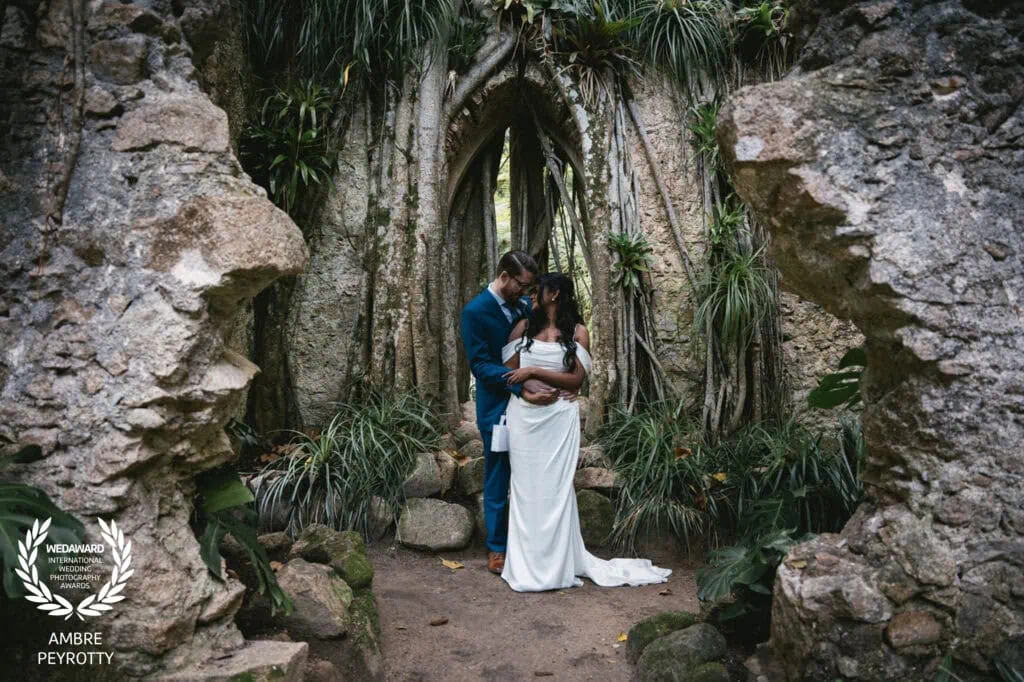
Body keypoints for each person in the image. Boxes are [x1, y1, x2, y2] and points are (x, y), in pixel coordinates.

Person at [500, 272, 672, 591]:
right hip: (524, 418)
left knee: (555, 491)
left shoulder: (578, 332)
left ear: (554, 294)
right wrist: (526, 390)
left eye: (538, 291)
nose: (532, 296)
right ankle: (524, 566)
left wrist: (534, 370)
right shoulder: (523, 328)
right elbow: (509, 373)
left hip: (558, 419)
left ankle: (556, 565)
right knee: (525, 490)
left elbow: (576, 380)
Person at [460, 251, 561, 575]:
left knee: (532, 475)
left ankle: (532, 544)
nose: (526, 292)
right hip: (497, 408)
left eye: (530, 287)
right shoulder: (475, 312)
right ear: (504, 277)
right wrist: (521, 383)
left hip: (533, 410)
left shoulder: (523, 307)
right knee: (498, 475)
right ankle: (497, 548)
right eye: (521, 284)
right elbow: (480, 365)